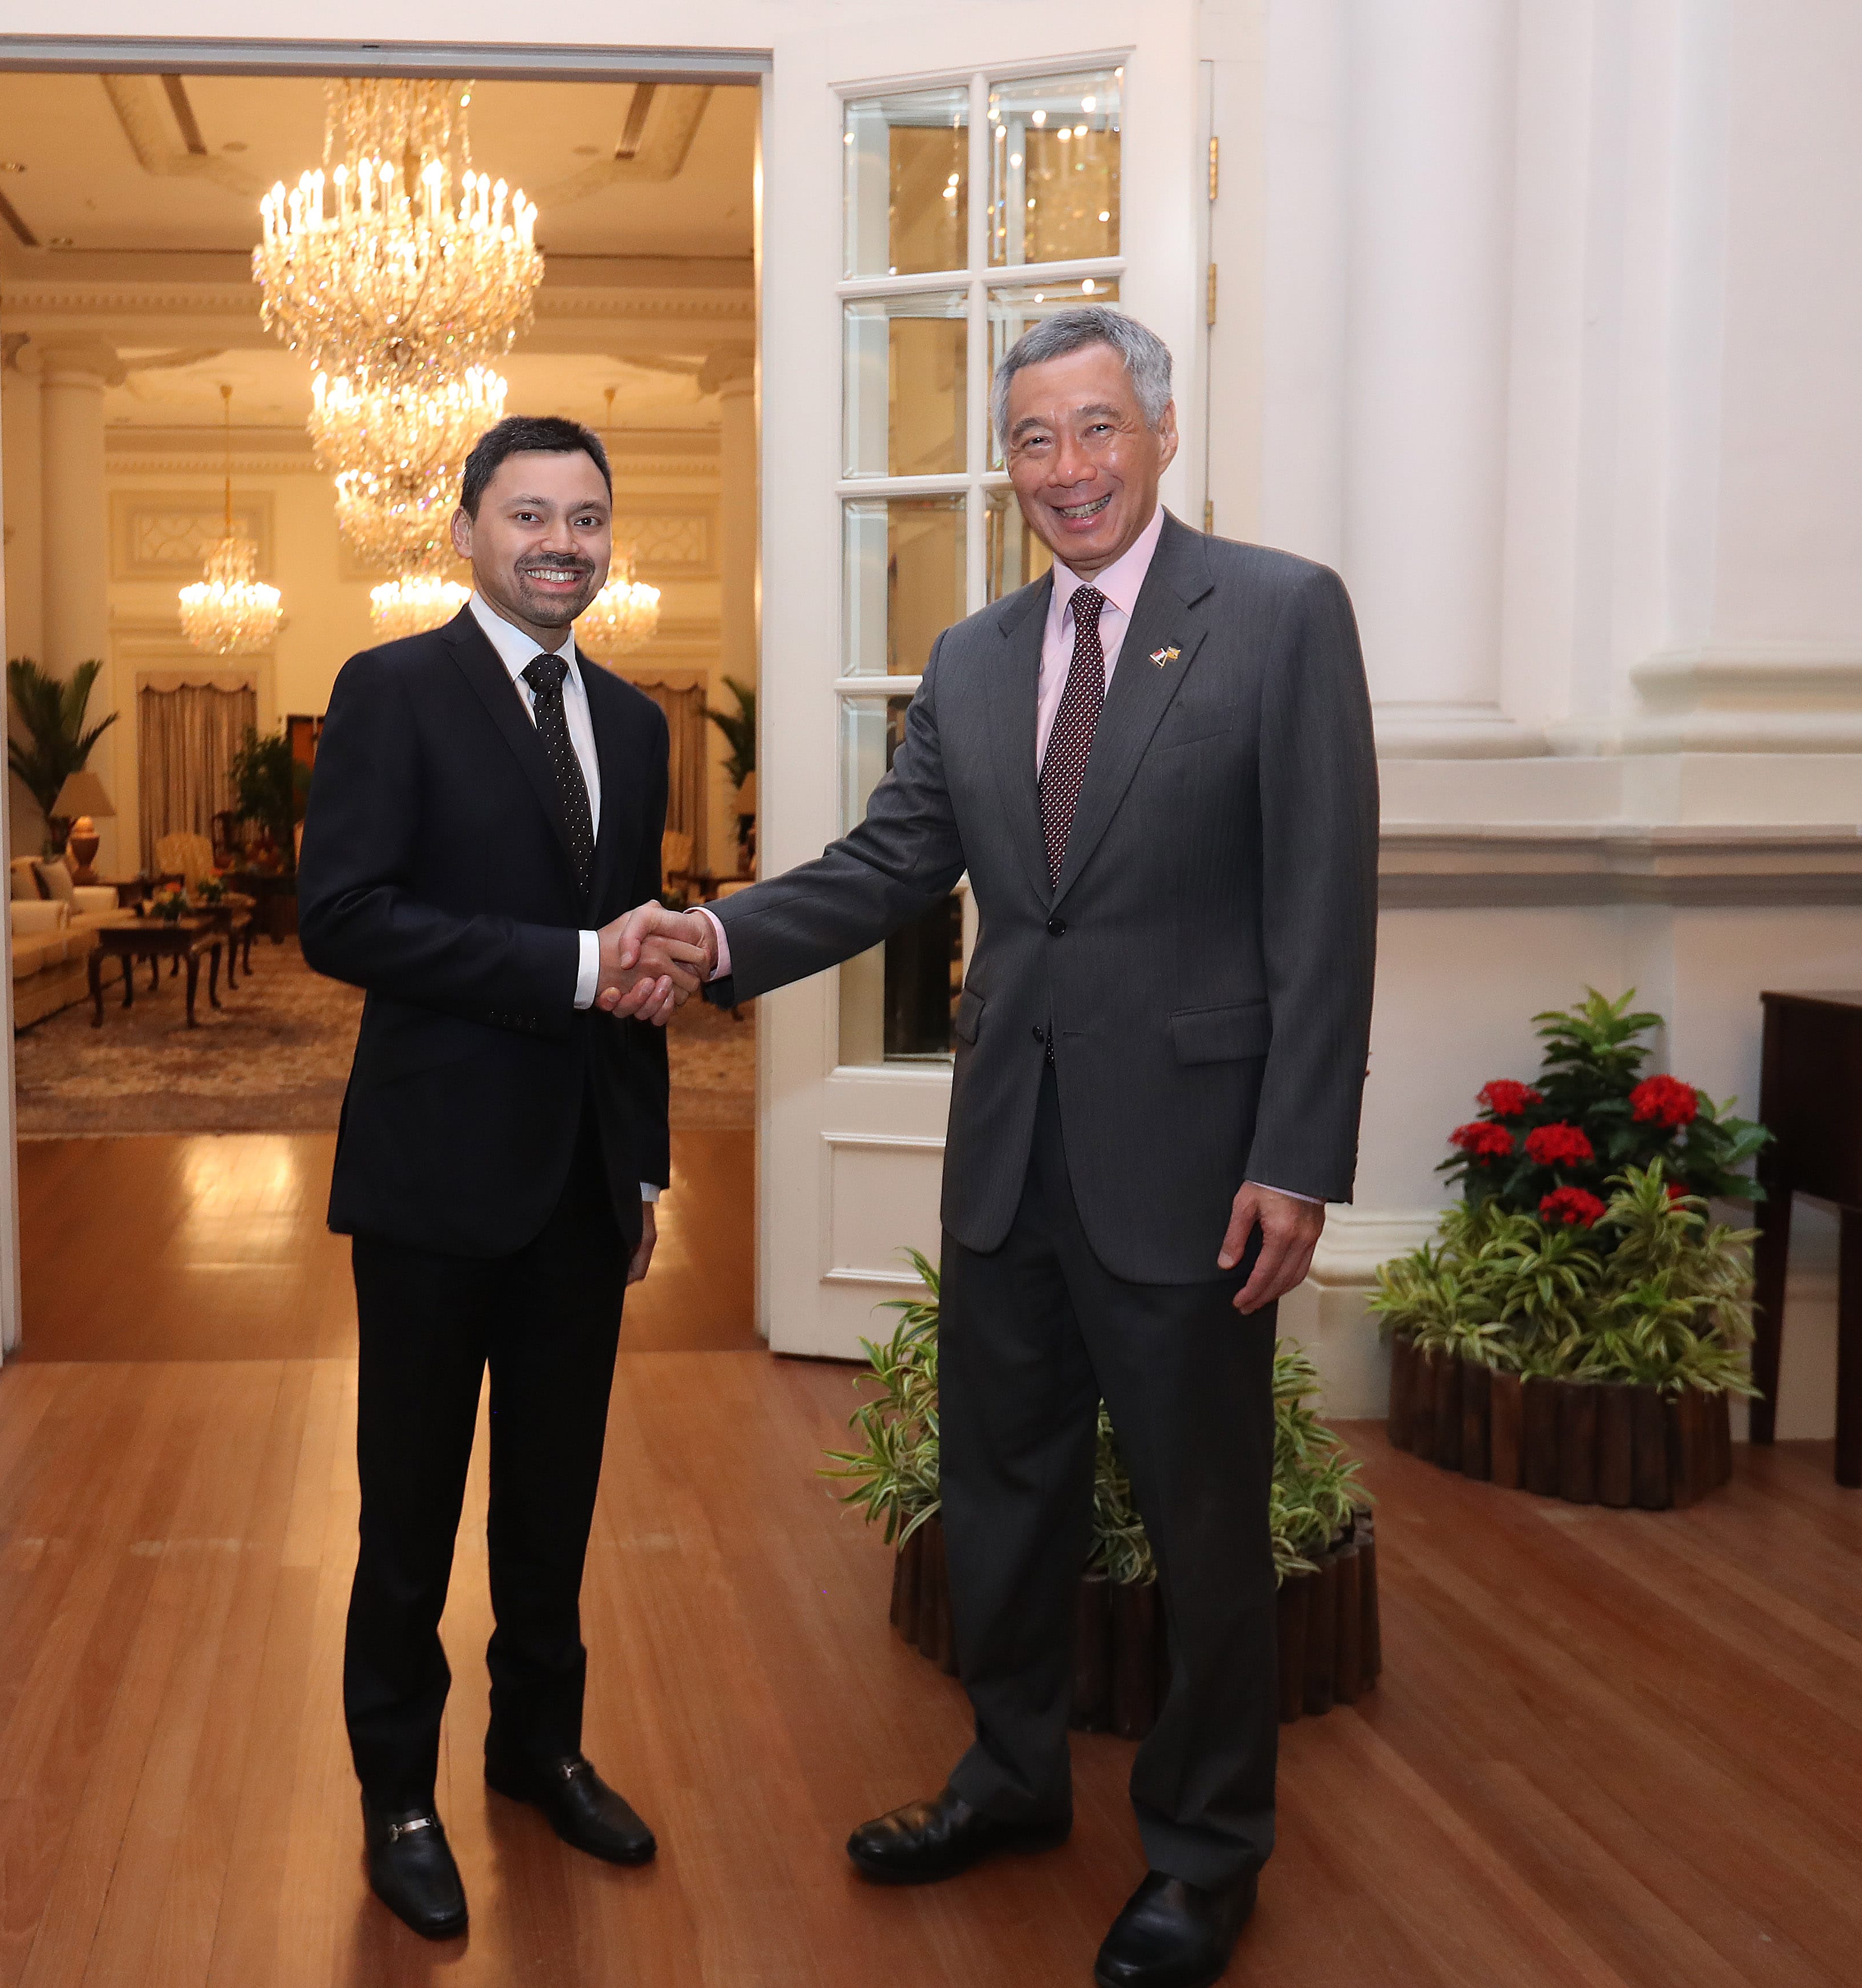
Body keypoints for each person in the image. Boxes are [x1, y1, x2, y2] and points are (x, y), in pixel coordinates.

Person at [613, 306, 1376, 1988]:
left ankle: (1204, 1848)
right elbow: (891, 863)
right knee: (1005, 1497)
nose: (1067, 470)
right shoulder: (969, 659)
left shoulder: (1277, 614)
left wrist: (1298, 1153)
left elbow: (1324, 904)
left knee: (1202, 1517)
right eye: (1034, 440)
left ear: (1161, 434)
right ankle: (1014, 1779)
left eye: (1097, 430)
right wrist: (717, 937)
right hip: (1012, 1155)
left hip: (1195, 1169)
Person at [298, 414, 713, 1942]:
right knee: (407, 1518)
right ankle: (398, 1796)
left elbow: (638, 968)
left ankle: (539, 1750)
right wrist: (567, 963)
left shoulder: (640, 720)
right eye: (530, 515)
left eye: (589, 519)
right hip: (429, 1184)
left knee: (555, 1506)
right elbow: (341, 918)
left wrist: (649, 1166)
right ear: (466, 529)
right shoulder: (389, 692)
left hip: (586, 1185)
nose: (562, 543)